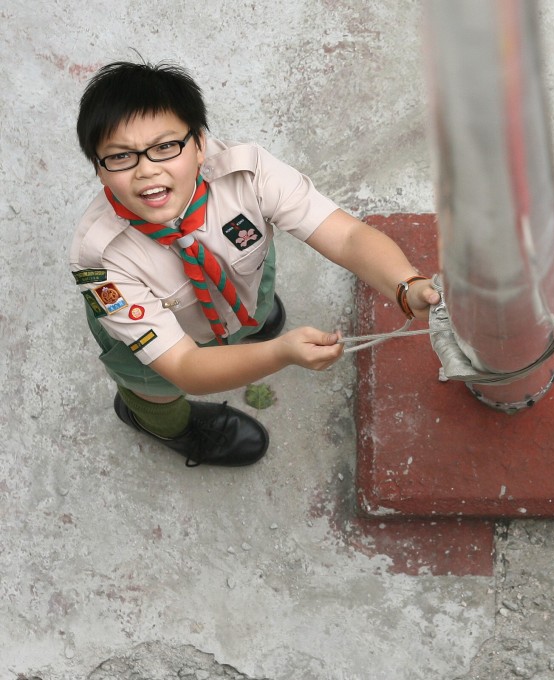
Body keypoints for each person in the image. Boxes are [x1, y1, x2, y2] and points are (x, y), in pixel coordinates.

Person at [70, 60, 439, 468]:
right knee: (156, 391)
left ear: (199, 144)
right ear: (99, 169)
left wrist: (405, 284)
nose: (147, 170)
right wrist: (280, 354)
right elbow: (184, 365)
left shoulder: (248, 174)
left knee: (258, 311)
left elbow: (348, 235)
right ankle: (167, 428)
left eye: (165, 147)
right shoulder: (102, 262)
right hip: (165, 347)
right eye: (121, 157)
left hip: (244, 288)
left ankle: (248, 326)